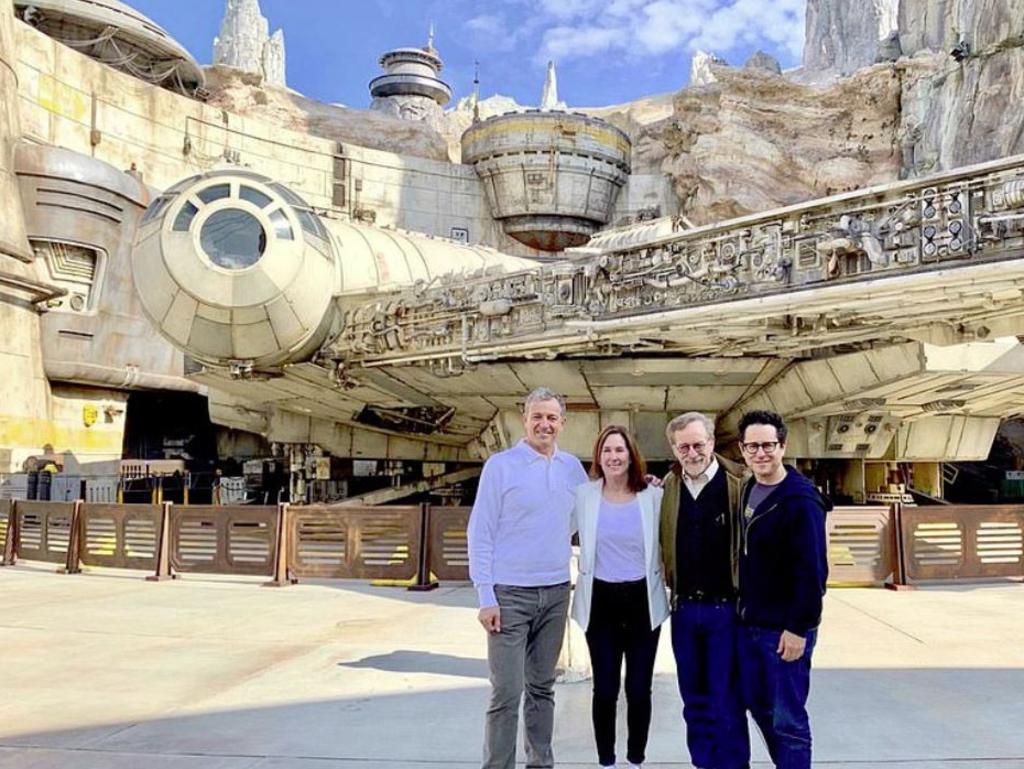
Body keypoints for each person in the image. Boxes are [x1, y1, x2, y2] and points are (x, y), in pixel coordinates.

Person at [467, 387, 588, 769]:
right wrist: (486, 595)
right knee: (506, 692)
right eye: (537, 416)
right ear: (525, 420)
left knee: (542, 688)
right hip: (509, 595)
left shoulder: (572, 468)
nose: (544, 424)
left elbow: (586, 516)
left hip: (554, 593)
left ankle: (540, 763)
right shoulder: (500, 466)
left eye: (552, 418)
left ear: (562, 423)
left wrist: (644, 489)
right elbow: (480, 531)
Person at [735, 410, 829, 769]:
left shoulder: (800, 500)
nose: (761, 453)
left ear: (782, 447)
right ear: (743, 450)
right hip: (752, 625)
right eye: (753, 446)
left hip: (784, 629)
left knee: (788, 720)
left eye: (768, 445)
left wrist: (797, 628)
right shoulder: (749, 488)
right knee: (759, 705)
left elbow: (813, 572)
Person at [572, 426, 669, 769]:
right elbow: (555, 530)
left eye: (620, 450)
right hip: (600, 602)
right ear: (599, 457)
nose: (614, 457)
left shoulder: (653, 497)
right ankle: (606, 760)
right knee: (606, 689)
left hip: (642, 601)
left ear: (631, 455)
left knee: (639, 689)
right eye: (607, 450)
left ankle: (635, 759)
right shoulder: (584, 495)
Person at [659, 412, 750, 769]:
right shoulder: (668, 487)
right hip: (684, 613)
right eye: (684, 446)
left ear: (712, 443)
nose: (692, 452)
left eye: (699, 444)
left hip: (725, 612)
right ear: (674, 448)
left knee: (726, 700)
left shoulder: (739, 485)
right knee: (693, 700)